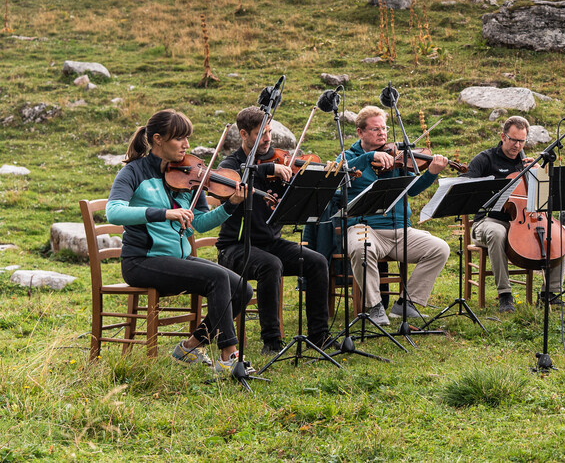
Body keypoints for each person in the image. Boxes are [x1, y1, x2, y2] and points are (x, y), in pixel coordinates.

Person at [106, 109, 253, 373]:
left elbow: (199, 223)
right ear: (158, 139)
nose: (186, 145)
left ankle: (188, 347)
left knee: (242, 289)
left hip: (178, 259)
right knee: (217, 279)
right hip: (142, 261)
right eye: (179, 138)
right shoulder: (133, 172)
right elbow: (113, 211)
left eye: (187, 138)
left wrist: (231, 205)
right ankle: (228, 357)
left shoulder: (189, 175)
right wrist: (163, 213)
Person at [214, 107, 332, 354]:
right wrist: (268, 170)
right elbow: (240, 180)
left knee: (317, 262)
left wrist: (312, 178)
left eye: (269, 132)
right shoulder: (231, 165)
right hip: (235, 248)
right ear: (243, 134)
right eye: (260, 134)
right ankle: (272, 340)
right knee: (271, 265)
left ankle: (319, 335)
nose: (268, 139)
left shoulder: (279, 162)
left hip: (271, 243)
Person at [343, 105, 451, 326]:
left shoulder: (397, 156)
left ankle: (406, 303)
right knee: (359, 248)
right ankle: (374, 307)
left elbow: (411, 189)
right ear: (360, 132)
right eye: (375, 129)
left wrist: (431, 173)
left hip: (401, 230)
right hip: (366, 228)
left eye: (383, 128)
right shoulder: (349, 156)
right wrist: (369, 157)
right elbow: (337, 171)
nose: (382, 133)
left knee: (440, 248)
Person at [466, 116, 563, 312]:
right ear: (503, 136)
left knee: (558, 233)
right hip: (488, 221)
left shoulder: (528, 163)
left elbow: (542, 201)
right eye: (513, 140)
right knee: (497, 233)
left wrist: (539, 175)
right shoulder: (485, 159)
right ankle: (505, 294)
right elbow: (465, 187)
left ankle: (550, 293)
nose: (517, 145)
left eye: (522, 141)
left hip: (522, 221)